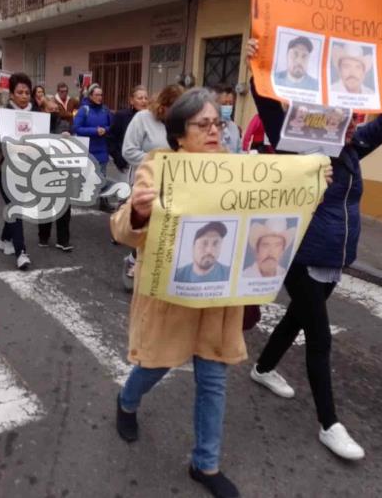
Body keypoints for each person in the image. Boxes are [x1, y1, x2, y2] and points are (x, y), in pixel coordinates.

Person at [247, 37, 382, 461]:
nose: (355, 122)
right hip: (300, 255)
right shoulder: (295, 145)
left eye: (356, 117)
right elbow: (268, 108)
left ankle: (263, 368)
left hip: (336, 257)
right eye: (346, 117)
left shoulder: (355, 148)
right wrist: (260, 65)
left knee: (296, 319)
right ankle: (329, 424)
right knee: (319, 339)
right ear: (324, 119)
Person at [112, 88, 245, 498]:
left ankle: (205, 465)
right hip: (173, 293)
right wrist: (138, 211)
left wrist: (311, 182)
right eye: (202, 124)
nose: (213, 131)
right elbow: (121, 227)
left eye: (217, 123)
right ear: (179, 135)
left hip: (218, 297)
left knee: (213, 380)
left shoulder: (238, 169)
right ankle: (127, 401)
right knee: (154, 365)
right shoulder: (157, 168)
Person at [121, 85, 183, 282]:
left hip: (174, 185)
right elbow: (128, 151)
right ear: (162, 106)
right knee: (146, 227)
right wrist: (158, 163)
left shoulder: (182, 123)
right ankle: (135, 259)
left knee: (167, 229)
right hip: (146, 182)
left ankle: (161, 270)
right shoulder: (142, 119)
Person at [0, 72, 35, 269]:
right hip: (5, 168)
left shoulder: (35, 115)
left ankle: (5, 239)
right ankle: (21, 252)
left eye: (27, 93)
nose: (24, 96)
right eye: (20, 92)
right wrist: (7, 144)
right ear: (11, 94)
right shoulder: (0, 113)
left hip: (26, 168)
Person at [37, 96, 74, 251]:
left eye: (56, 110)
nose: (54, 112)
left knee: (64, 206)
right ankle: (43, 237)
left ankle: (63, 240)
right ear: (43, 110)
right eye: (50, 110)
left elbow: (72, 146)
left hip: (62, 169)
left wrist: (69, 139)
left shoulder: (65, 124)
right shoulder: (37, 125)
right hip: (43, 169)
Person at [73, 83, 113, 210]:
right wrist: (95, 131)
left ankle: (104, 201)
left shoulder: (105, 110)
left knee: (102, 175)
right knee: (87, 175)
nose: (99, 97)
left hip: (102, 148)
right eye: (97, 95)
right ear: (90, 96)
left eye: (101, 95)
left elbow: (112, 126)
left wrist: (105, 130)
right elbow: (77, 128)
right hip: (88, 149)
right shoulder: (84, 110)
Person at [108, 85, 149, 175]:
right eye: (140, 98)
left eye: (146, 98)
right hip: (127, 165)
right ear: (131, 100)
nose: (144, 101)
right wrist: (118, 159)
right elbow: (111, 139)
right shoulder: (122, 116)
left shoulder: (152, 117)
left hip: (146, 165)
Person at [213, 84, 242, 153]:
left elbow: (239, 151)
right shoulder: (208, 127)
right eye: (224, 103)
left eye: (230, 104)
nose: (228, 106)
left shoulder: (234, 127)